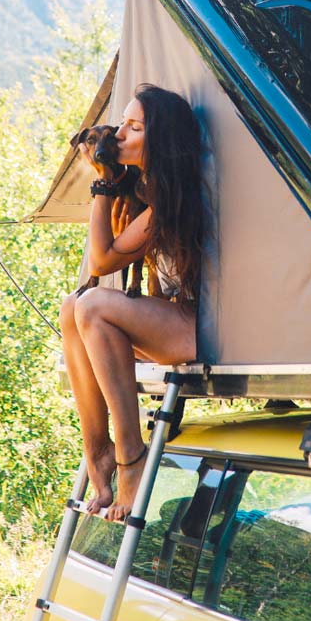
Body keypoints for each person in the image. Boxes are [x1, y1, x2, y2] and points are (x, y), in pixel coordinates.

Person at [59, 84, 205, 523]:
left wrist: (102, 183)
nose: (119, 134)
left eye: (134, 126)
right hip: (178, 320)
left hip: (205, 325)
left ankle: (130, 454)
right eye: (121, 122)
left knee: (92, 306)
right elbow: (103, 268)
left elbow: (102, 259)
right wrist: (112, 185)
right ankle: (97, 448)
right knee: (74, 306)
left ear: (159, 140)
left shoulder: (171, 197)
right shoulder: (145, 188)